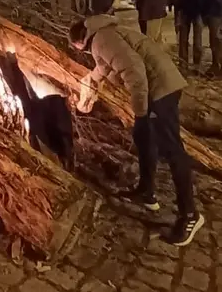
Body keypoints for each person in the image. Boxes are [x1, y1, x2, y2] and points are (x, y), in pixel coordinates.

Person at [69, 15, 204, 246]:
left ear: (80, 42)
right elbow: (105, 65)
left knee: (172, 150)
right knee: (143, 138)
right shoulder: (104, 34)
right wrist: (90, 79)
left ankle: (190, 215)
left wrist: (141, 112)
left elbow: (135, 71)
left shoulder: (101, 39)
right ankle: (146, 190)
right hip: (158, 88)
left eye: (77, 48)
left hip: (161, 91)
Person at [174, 0, 206, 74]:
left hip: (195, 12)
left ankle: (195, 64)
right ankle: (184, 63)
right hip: (186, 12)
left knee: (196, 40)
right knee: (184, 40)